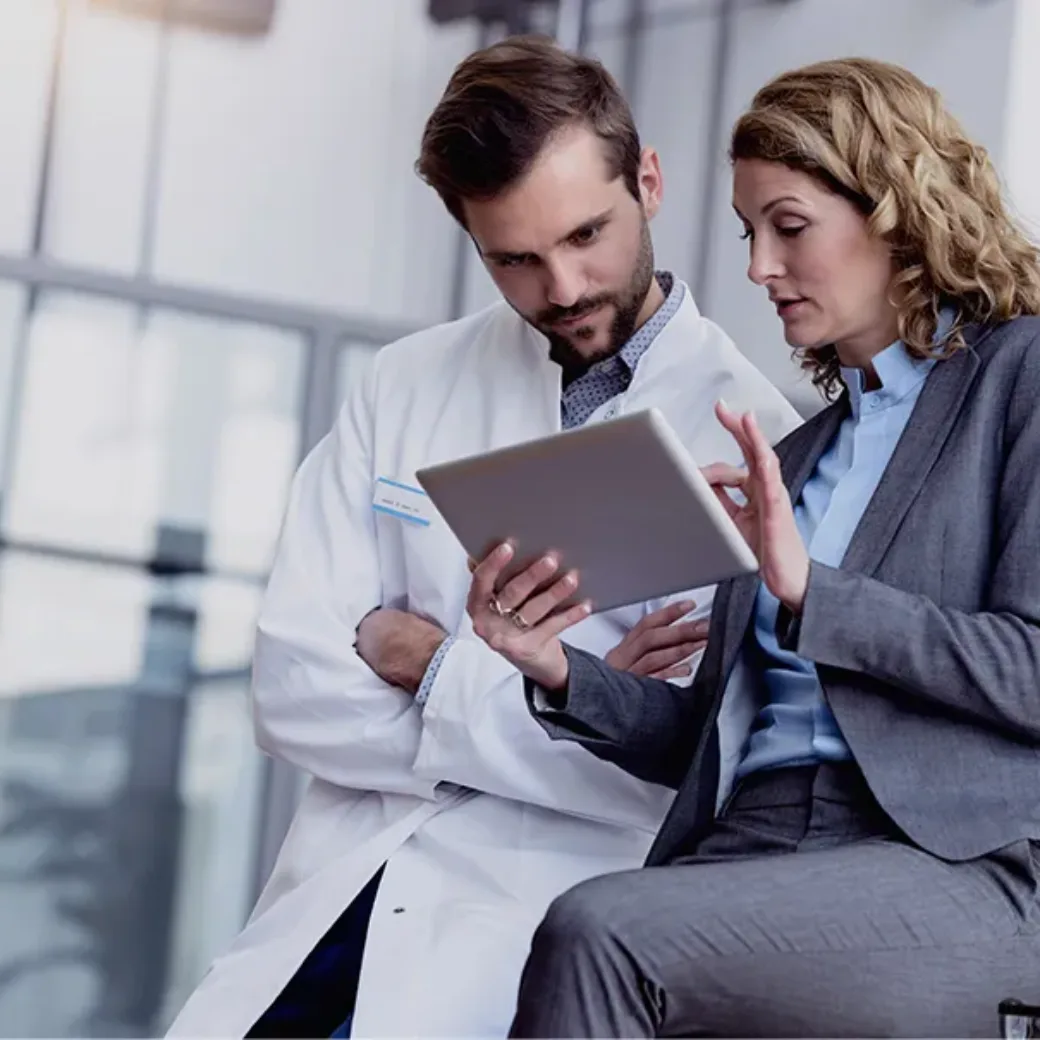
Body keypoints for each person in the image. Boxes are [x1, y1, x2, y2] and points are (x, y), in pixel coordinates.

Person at [165, 35, 801, 1039]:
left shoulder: (760, 440)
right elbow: (291, 686)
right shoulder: (406, 383)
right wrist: (566, 701)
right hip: (333, 902)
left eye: (586, 233)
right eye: (513, 257)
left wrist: (419, 654)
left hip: (519, 942)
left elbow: (679, 778)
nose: (560, 287)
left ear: (647, 179)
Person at [467, 56, 1040, 1038]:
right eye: (747, 232)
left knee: (599, 932)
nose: (756, 268)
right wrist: (556, 667)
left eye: (788, 226)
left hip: (951, 862)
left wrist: (813, 591)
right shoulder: (797, 451)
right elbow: (715, 740)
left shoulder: (1016, 377)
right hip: (753, 844)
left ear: (895, 209)